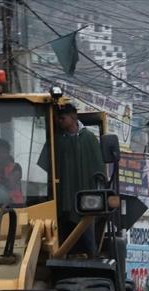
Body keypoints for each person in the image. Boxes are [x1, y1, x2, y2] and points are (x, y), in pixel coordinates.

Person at [51, 103, 103, 256]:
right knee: (61, 238)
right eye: (58, 119)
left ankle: (92, 258)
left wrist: (97, 199)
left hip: (86, 202)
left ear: (73, 117)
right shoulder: (58, 140)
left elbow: (99, 171)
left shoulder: (89, 139)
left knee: (88, 237)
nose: (59, 121)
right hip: (62, 202)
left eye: (62, 118)